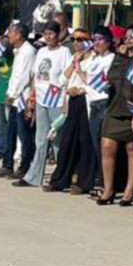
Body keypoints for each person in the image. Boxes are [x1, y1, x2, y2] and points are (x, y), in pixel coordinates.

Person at [16, 21, 71, 188]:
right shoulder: (41, 51)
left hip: (56, 99)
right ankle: (33, 176)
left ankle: (60, 177)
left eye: (51, 34)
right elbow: (35, 76)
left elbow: (67, 76)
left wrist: (65, 101)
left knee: (56, 140)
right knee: (40, 139)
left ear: (58, 34)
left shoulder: (64, 52)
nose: (48, 37)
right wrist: (31, 100)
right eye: (45, 34)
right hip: (41, 99)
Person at [95, 30, 133, 204]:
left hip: (132, 108)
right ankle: (108, 189)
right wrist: (121, 57)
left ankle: (129, 190)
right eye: (127, 37)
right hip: (115, 107)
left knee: (132, 149)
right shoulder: (119, 57)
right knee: (107, 147)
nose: (129, 39)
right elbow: (112, 77)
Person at [47, 29, 98, 194]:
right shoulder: (75, 58)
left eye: (81, 39)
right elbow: (62, 80)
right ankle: (59, 179)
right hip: (72, 100)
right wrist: (74, 63)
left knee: (85, 142)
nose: (76, 43)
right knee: (67, 141)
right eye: (74, 39)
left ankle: (84, 182)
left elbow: (94, 83)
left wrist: (80, 89)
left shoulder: (95, 60)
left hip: (86, 100)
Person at [0, 23, 36, 179]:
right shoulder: (18, 52)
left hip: (22, 98)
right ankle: (7, 164)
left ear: (19, 35)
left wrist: (12, 94)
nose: (9, 36)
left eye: (11, 33)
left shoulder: (28, 52)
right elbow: (14, 75)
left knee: (24, 133)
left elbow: (25, 77)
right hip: (14, 98)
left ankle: (25, 167)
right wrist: (9, 92)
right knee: (10, 131)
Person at [82, 27, 116, 186]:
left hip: (103, 102)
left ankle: (104, 181)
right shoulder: (95, 59)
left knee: (102, 145)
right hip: (92, 102)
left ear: (108, 42)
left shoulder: (111, 58)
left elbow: (104, 83)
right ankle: (99, 177)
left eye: (99, 39)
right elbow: (87, 79)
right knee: (95, 144)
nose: (96, 43)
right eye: (94, 39)